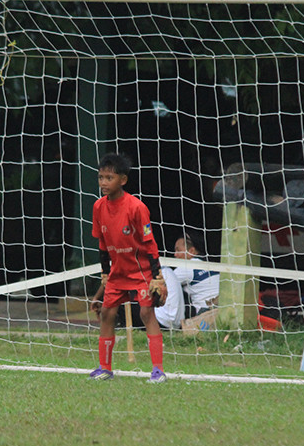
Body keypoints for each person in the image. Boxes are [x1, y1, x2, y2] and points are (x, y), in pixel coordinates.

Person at [89, 153, 168, 383]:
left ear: (122, 180)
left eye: (109, 177)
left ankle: (158, 370)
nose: (104, 182)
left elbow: (149, 243)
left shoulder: (136, 207)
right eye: (101, 177)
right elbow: (102, 243)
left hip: (141, 271)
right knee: (106, 313)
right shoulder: (98, 207)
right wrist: (105, 273)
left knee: (146, 312)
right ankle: (105, 368)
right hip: (118, 273)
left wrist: (157, 276)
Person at [173, 233, 220, 315]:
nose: (175, 254)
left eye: (178, 250)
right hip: (224, 308)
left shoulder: (188, 266)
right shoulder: (211, 265)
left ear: (191, 251)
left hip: (206, 316)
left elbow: (165, 281)